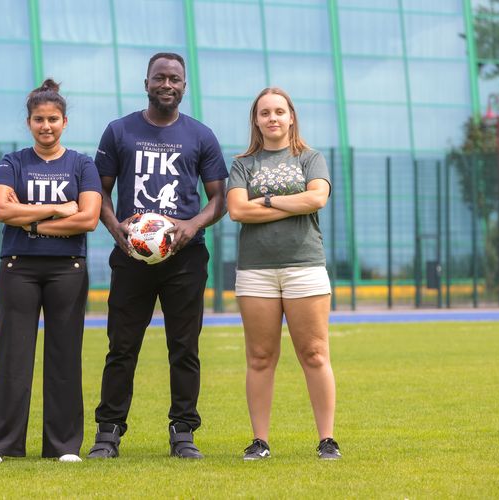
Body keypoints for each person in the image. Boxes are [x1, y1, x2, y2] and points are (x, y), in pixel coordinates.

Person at [86, 53, 228, 459]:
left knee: (184, 347)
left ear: (185, 86)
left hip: (185, 258)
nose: (168, 85)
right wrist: (117, 231)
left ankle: (183, 432)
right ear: (146, 82)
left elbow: (218, 201)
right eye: (160, 78)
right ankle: (108, 433)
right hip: (132, 257)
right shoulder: (119, 131)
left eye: (175, 79)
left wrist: (191, 225)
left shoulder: (201, 135)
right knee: (122, 345)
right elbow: (100, 194)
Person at [0, 79, 102, 464]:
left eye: (52, 119)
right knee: (12, 356)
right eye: (38, 119)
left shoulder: (82, 164)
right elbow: (1, 210)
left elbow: (89, 218)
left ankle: (63, 446)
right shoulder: (12, 162)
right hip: (19, 267)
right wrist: (57, 208)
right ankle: (1, 446)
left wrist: (29, 220)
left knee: (65, 356)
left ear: (64, 122)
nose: (45, 126)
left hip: (68, 268)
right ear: (28, 122)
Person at [226, 87, 341, 460]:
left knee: (314, 352)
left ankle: (327, 439)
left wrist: (268, 201)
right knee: (260, 356)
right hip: (256, 271)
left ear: (291, 116)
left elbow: (316, 198)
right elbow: (238, 212)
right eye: (264, 113)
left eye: (279, 111)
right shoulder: (244, 163)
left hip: (304, 267)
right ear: (256, 121)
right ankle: (260, 441)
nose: (272, 118)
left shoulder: (311, 158)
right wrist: (292, 204)